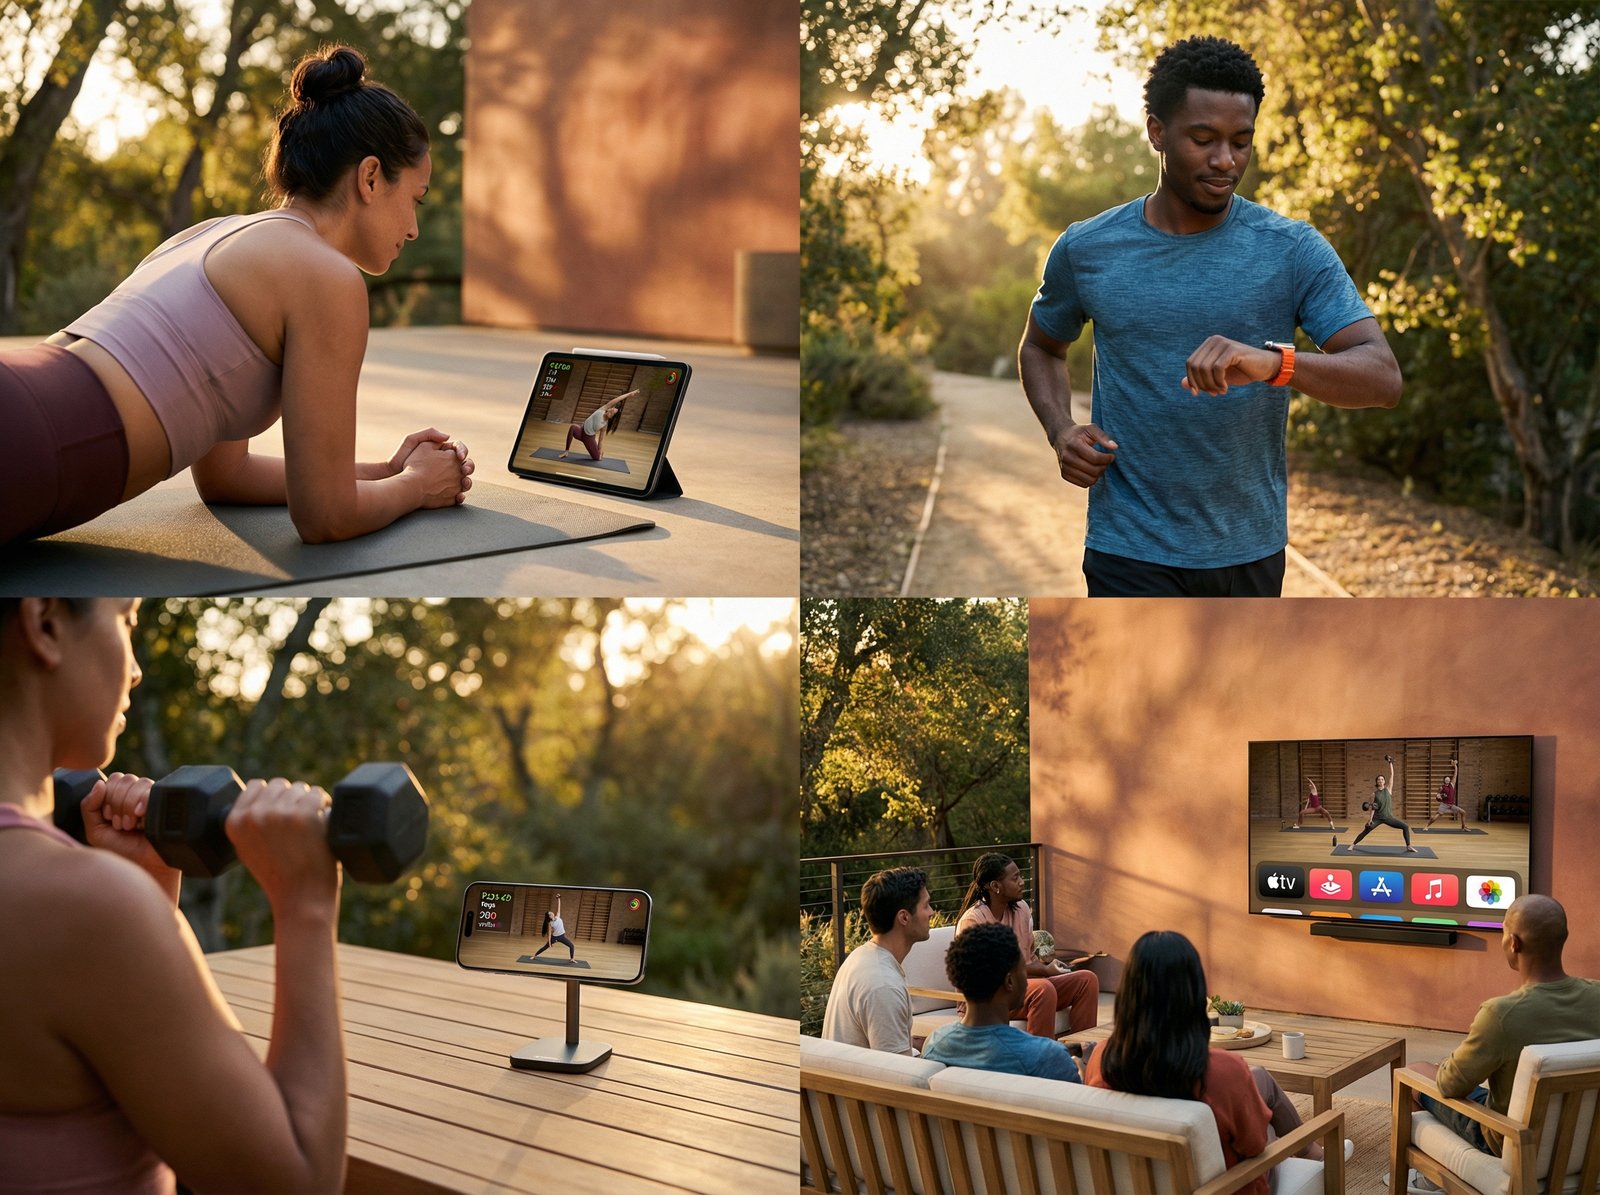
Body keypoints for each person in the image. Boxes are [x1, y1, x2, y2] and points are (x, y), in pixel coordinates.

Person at [0, 45, 476, 546]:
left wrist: (384, 471)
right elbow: (327, 515)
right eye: (415, 199)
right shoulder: (327, 277)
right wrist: (418, 486)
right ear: (371, 177)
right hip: (31, 443)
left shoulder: (213, 234)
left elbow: (226, 477)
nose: (415, 228)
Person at [1018, 35, 1402, 597]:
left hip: (1248, 550)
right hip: (1128, 548)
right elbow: (1042, 346)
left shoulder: (1292, 249)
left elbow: (1382, 378)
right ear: (1157, 132)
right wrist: (1061, 431)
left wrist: (1273, 363)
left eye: (1241, 142)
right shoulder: (1088, 248)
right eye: (1204, 140)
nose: (1226, 161)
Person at [0, 598, 346, 1192]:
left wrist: (149, 894)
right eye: (127, 618)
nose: (135, 669)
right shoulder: (83, 910)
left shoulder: (80, 905)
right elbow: (297, 1182)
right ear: (47, 622)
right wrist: (305, 902)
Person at [1084, 930, 1342, 1195]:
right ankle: (1315, 1154)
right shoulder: (1223, 1071)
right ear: (1193, 995)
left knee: (1258, 1079)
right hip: (1226, 1187)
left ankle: (1312, 1152)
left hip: (1133, 1183)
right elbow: (1254, 1147)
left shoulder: (1102, 1058)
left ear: (1128, 994)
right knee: (1266, 1126)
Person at [1406, 895, 1600, 1158]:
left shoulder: (1501, 1015)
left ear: (1513, 943)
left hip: (1511, 1143)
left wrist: (1447, 1065)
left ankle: (1427, 1180)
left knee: (1414, 1073)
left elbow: (1450, 1086)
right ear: (1563, 937)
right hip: (1587, 1141)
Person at [955, 853, 1098, 1039]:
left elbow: (1029, 960)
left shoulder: (1021, 909)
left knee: (1087, 980)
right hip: (987, 999)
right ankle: (1039, 1061)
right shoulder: (974, 921)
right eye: (1015, 878)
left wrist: (1047, 968)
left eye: (1021, 876)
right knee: (1042, 989)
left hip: (1024, 988)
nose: (1022, 882)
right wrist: (1042, 972)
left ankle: (1080, 1052)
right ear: (995, 886)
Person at [921, 922, 1082, 1082]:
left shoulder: (935, 1044)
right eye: (1023, 971)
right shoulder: (1048, 1057)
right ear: (1009, 982)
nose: (1027, 979)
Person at [821, 867, 932, 1056]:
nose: (931, 912)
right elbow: (898, 1073)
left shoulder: (861, 956)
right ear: (904, 917)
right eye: (926, 905)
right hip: (859, 1083)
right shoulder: (884, 985)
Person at [1351, 755, 1418, 852]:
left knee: (1405, 826)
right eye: (1379, 779)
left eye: (1382, 779)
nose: (1380, 781)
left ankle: (1408, 846)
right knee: (1366, 830)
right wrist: (1370, 820)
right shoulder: (1374, 794)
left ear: (1384, 781)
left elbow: (1392, 775)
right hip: (1377, 818)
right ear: (1377, 782)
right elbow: (1373, 808)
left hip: (1388, 817)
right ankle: (1353, 844)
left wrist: (1390, 763)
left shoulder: (1388, 789)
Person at [560, 390, 639, 461]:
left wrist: (600, 449)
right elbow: (617, 399)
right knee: (573, 427)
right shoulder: (602, 409)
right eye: (611, 410)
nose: (610, 411)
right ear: (608, 409)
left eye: (612, 413)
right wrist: (629, 394)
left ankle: (595, 443)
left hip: (589, 438)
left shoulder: (604, 425)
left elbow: (601, 440)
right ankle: (566, 451)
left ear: (611, 417)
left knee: (597, 458)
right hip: (581, 431)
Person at [1425, 758, 1466, 830]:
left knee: (1463, 812)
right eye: (1446, 779)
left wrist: (1455, 766)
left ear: (1449, 780)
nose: (1447, 780)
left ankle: (1463, 827)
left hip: (1451, 805)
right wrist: (1440, 796)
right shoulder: (1441, 787)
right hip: (1444, 804)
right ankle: (1427, 826)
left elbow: (1455, 774)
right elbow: (1437, 797)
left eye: (1448, 779)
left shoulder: (1452, 785)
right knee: (1437, 815)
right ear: (1444, 780)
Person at [534, 894, 577, 959]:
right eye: (550, 914)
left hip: (562, 936)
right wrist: (549, 942)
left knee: (571, 946)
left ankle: (572, 959)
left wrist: (558, 899)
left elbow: (559, 907)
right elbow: (549, 934)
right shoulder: (550, 923)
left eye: (551, 912)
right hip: (555, 937)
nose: (551, 913)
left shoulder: (558, 916)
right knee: (546, 946)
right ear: (549, 917)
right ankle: (535, 955)